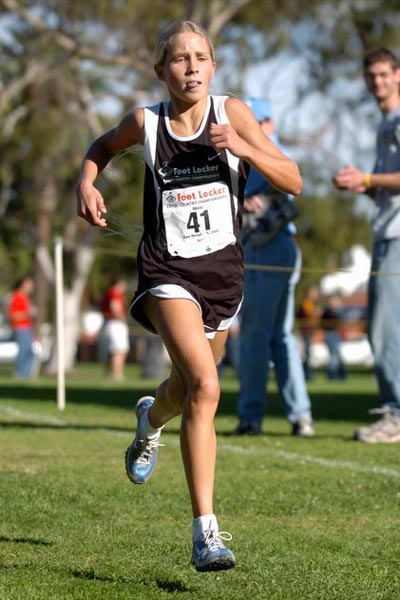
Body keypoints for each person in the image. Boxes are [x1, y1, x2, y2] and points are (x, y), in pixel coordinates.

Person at [76, 20, 302, 571]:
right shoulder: (146, 122)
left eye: (201, 57)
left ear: (214, 66)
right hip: (166, 272)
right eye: (179, 59)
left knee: (184, 390)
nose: (192, 67)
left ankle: (150, 421)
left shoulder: (233, 114)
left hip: (224, 279)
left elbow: (293, 178)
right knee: (206, 385)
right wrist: (85, 182)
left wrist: (245, 146)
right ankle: (206, 534)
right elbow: (101, 147)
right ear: (162, 71)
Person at [235, 97, 314, 437]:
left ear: (269, 123)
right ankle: (300, 416)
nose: (254, 129)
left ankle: (251, 417)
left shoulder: (266, 150)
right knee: (280, 336)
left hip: (268, 248)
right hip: (276, 248)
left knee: (255, 335)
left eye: (258, 121)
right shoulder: (258, 151)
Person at [333, 47, 400, 442]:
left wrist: (370, 180)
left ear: (397, 74)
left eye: (383, 74)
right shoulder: (384, 123)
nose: (377, 82)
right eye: (371, 76)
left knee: (384, 328)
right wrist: (360, 184)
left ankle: (395, 415)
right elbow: (381, 191)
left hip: (397, 235)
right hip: (386, 229)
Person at [98, 276, 130, 381]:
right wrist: (122, 318)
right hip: (116, 323)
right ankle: (117, 374)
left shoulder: (108, 293)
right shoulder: (114, 293)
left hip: (109, 323)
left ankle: (109, 373)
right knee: (118, 350)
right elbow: (115, 307)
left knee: (112, 350)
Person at [7, 276, 36, 378]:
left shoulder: (25, 297)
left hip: (27, 328)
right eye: (29, 284)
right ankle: (20, 374)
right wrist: (27, 313)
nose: (32, 286)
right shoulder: (17, 296)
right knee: (23, 352)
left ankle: (26, 375)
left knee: (30, 352)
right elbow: (12, 315)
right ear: (23, 284)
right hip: (20, 328)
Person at [296, 285, 322, 381]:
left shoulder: (310, 303)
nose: (316, 295)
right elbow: (309, 315)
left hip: (309, 332)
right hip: (306, 332)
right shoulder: (306, 303)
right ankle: (307, 374)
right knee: (307, 354)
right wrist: (316, 313)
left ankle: (307, 374)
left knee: (308, 353)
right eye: (314, 292)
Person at [321, 293, 347, 381]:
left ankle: (341, 375)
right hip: (330, 335)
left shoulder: (336, 311)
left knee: (337, 356)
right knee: (333, 356)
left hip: (335, 335)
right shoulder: (328, 312)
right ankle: (332, 375)